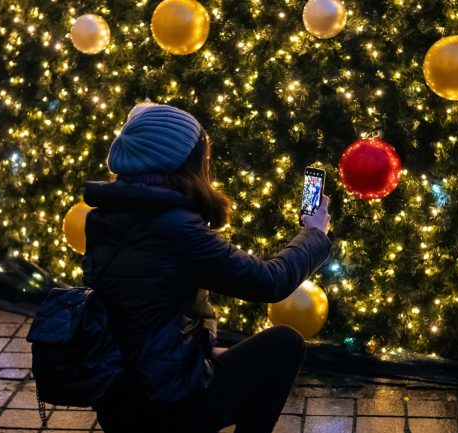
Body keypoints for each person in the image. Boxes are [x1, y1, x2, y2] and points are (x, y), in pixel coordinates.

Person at [82, 104, 332, 433]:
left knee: (234, 354)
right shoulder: (175, 229)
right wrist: (314, 234)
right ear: (187, 161)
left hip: (116, 400)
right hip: (169, 406)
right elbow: (269, 282)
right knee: (285, 344)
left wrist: (200, 348)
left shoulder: (103, 215)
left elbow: (140, 312)